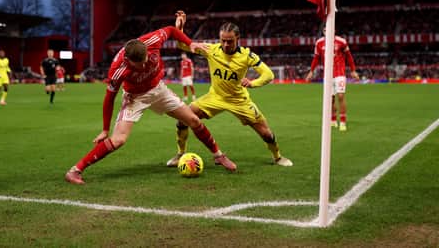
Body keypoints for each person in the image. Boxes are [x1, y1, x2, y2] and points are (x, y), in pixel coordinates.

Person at [65, 26, 237, 185]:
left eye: (145, 60)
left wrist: (190, 43)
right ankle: (75, 170)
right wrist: (104, 129)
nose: (144, 65)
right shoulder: (118, 70)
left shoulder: (152, 41)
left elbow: (171, 30)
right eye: (139, 64)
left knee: (194, 120)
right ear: (128, 60)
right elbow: (109, 99)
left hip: (158, 89)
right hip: (135, 97)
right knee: (118, 139)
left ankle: (218, 155)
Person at [166, 11, 293, 168]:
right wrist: (179, 29)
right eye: (223, 41)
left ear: (238, 39)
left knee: (266, 133)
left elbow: (269, 74)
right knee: (182, 120)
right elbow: (183, 45)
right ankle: (180, 154)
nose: (226, 44)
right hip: (215, 97)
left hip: (239, 100)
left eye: (230, 41)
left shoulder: (247, 55)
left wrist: (253, 83)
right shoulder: (211, 49)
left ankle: (278, 157)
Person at [305, 29, 359, 132]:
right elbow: (316, 58)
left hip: (340, 73)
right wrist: (311, 71)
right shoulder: (319, 43)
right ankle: (333, 119)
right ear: (323, 31)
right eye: (325, 30)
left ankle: (342, 122)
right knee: (331, 99)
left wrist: (353, 70)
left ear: (334, 30)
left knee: (341, 96)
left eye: (329, 29)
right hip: (328, 74)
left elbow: (349, 56)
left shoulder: (341, 41)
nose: (327, 31)